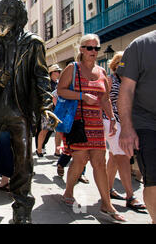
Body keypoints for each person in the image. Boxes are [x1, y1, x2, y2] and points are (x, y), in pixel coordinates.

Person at [0, 0, 59, 224]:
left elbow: (41, 77)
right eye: (2, 9)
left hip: (19, 108)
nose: (5, 13)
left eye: (11, 10)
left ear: (19, 16)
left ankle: (22, 205)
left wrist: (46, 107)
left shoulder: (33, 43)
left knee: (23, 159)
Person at [58, 34, 126, 222]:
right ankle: (68, 192)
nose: (93, 52)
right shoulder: (73, 68)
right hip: (78, 123)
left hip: (96, 124)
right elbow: (61, 91)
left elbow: (105, 98)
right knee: (80, 161)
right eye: (89, 48)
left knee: (99, 162)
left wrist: (111, 118)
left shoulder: (101, 72)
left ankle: (106, 204)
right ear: (81, 49)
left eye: (96, 48)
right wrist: (82, 96)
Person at [117, 30, 156, 224]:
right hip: (148, 123)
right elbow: (126, 90)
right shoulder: (140, 45)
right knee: (154, 181)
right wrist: (126, 128)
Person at [104, 51, 146, 212]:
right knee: (122, 156)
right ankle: (130, 196)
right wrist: (112, 120)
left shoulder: (132, 81)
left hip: (127, 122)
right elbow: (104, 100)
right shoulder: (111, 79)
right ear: (117, 65)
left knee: (115, 157)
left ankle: (107, 190)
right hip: (112, 121)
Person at [36, 64, 62, 157]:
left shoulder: (59, 83)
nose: (58, 73)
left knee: (59, 131)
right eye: (56, 71)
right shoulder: (47, 83)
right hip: (49, 110)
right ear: (51, 73)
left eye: (59, 71)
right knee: (45, 130)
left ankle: (57, 151)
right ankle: (39, 149)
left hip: (58, 110)